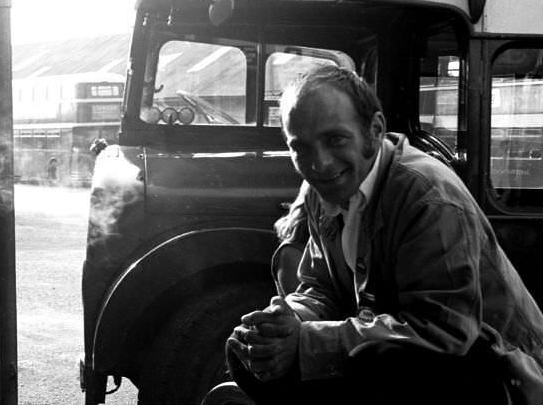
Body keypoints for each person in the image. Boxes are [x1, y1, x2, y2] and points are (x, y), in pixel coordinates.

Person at [226, 65, 543, 404]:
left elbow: (445, 332)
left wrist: (307, 342)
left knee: (373, 360)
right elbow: (321, 287)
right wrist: (285, 323)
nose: (319, 163)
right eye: (300, 147)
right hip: (421, 359)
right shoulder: (326, 186)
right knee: (246, 350)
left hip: (504, 377)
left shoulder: (427, 196)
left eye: (335, 140)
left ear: (375, 130)